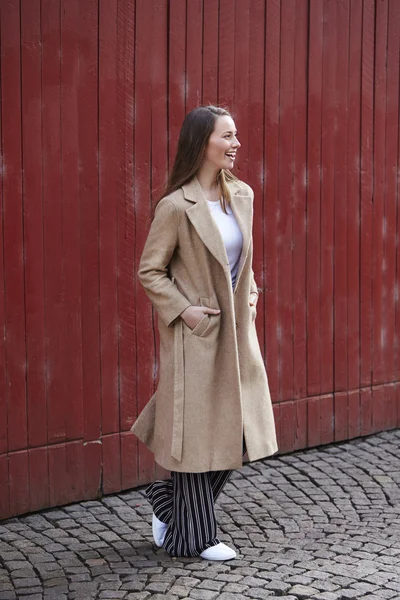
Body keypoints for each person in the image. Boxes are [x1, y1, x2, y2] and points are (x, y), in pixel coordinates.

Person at [131, 105, 278, 560]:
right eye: (227, 137)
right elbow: (150, 271)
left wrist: (251, 295)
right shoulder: (176, 206)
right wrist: (186, 312)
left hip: (237, 333)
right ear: (203, 143)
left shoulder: (242, 195)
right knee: (197, 434)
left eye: (235, 136)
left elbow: (244, 260)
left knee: (240, 429)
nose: (236, 144)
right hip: (197, 335)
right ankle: (196, 535)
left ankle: (166, 502)